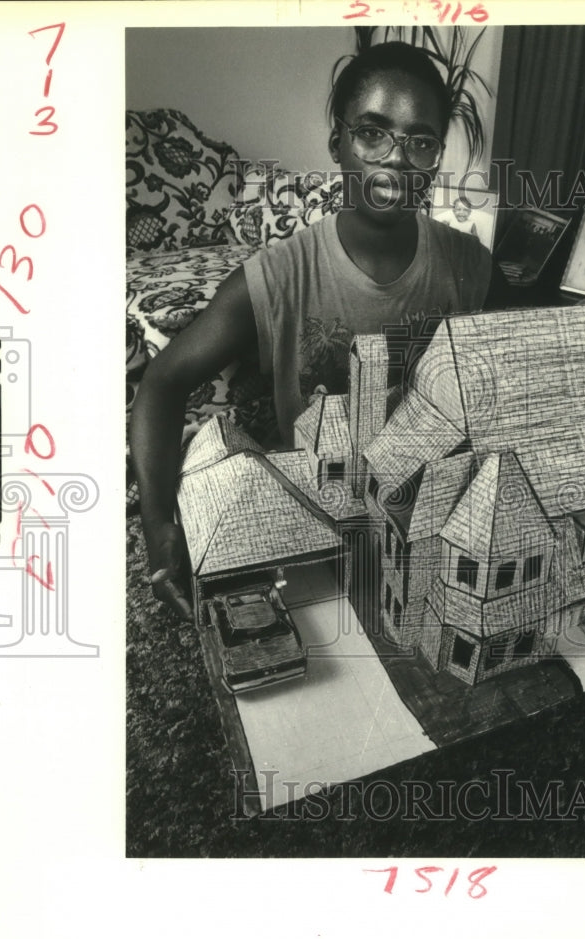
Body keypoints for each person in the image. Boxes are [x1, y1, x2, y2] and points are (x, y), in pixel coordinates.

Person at [130, 41, 501, 621]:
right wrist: (158, 527)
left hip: (430, 526)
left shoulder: (472, 267)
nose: (396, 159)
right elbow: (161, 383)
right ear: (338, 143)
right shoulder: (277, 278)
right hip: (313, 527)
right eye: (372, 132)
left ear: (435, 156)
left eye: (420, 140)